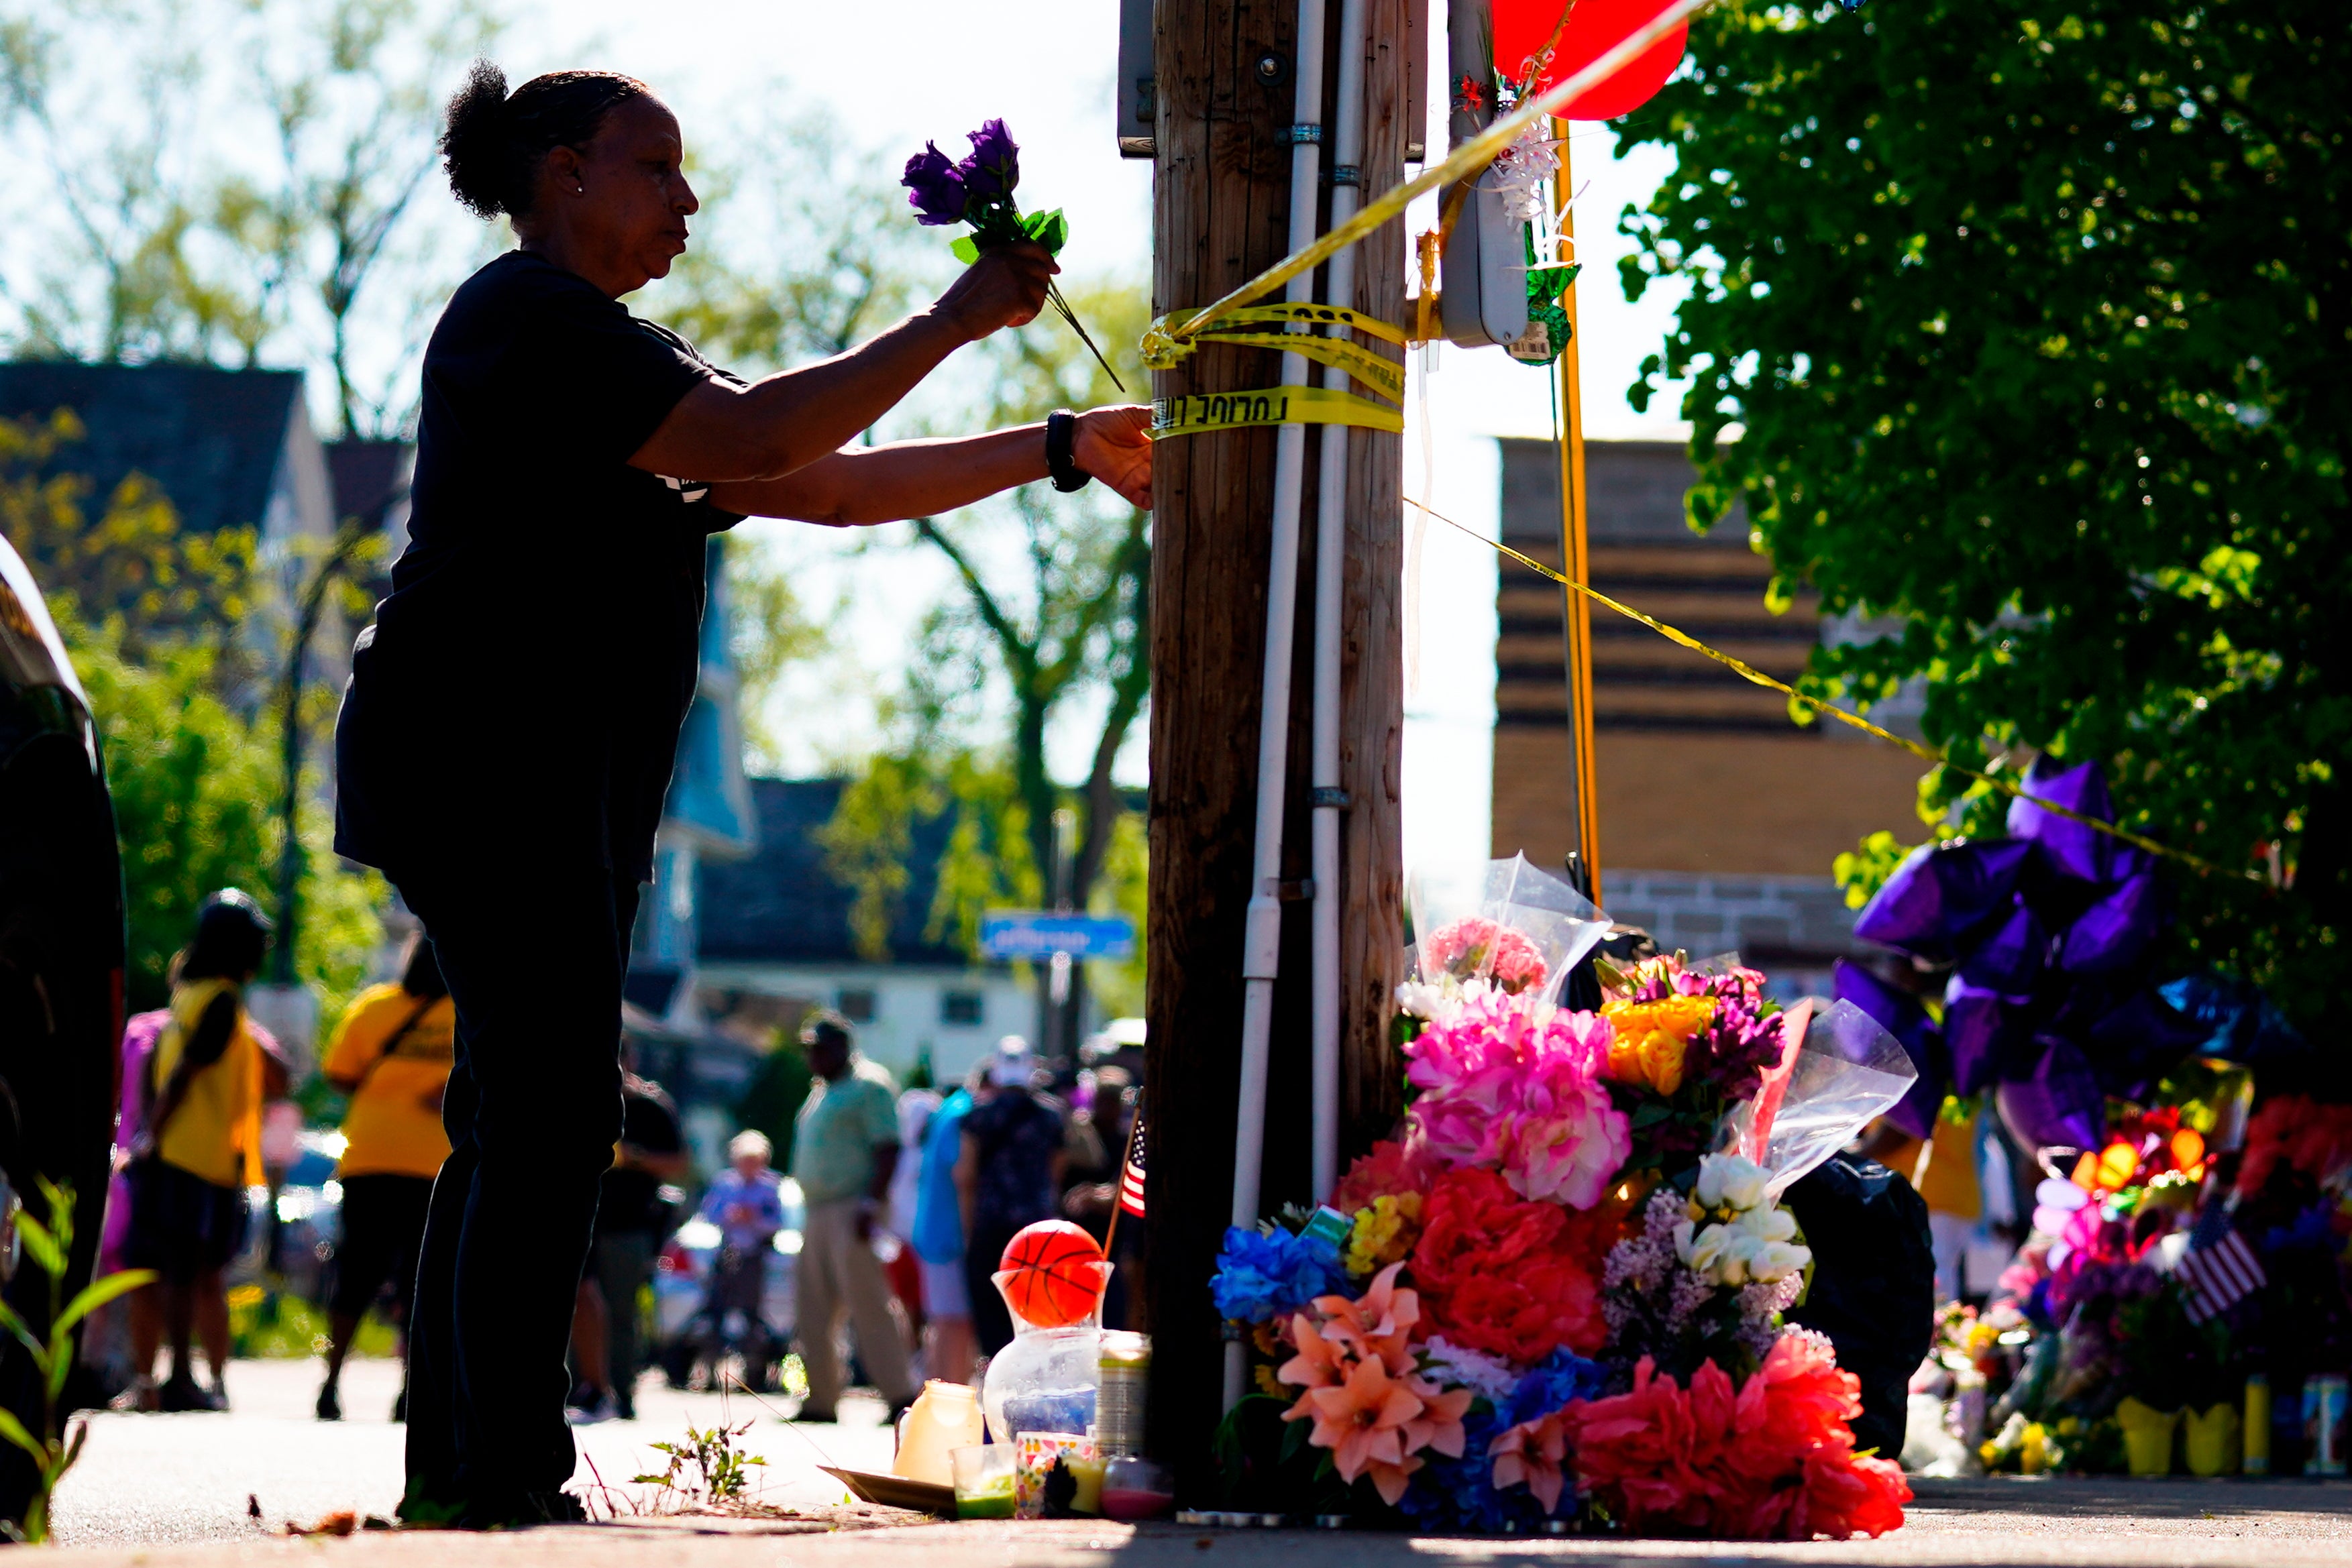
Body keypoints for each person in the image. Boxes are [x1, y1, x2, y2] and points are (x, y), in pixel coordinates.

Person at [330, 61, 1149, 1526]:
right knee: (549, 1102)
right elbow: (767, 440)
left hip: (535, 773)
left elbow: (817, 481)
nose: (686, 200)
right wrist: (955, 319)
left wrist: (1055, 451)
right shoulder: (526, 319)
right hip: (481, 756)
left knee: (529, 1102)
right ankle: (488, 1462)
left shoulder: (607, 350)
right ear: (567, 172)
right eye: (660, 168)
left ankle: (470, 1454)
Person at [121, 891, 288, 1413]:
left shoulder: (187, 994)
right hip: (195, 1159)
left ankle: (169, 1377)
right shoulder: (221, 1000)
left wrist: (148, 1131)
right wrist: (153, 1133)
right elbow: (185, 1071)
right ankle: (182, 1379)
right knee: (186, 1273)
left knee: (169, 1271)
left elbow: (158, 1067)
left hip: (188, 1156)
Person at [315, 933, 457, 1422]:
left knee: (354, 1278)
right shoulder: (465, 1014)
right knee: (422, 1283)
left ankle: (330, 1381)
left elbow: (338, 1072)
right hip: (433, 1167)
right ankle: (411, 1391)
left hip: (369, 1159)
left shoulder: (373, 1008)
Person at [787, 1013, 916, 1420]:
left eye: (820, 1049)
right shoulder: (823, 1089)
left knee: (869, 1305)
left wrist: (869, 1204)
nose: (813, 1057)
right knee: (812, 1310)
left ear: (843, 1047)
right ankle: (821, 1399)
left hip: (851, 1208)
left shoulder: (869, 1086)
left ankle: (900, 1396)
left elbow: (888, 1150)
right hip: (817, 1210)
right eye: (809, 1049)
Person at [569, 1066, 687, 1422]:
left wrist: (632, 1157)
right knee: (576, 1308)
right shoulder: (579, 1102)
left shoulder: (651, 1107)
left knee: (622, 1311)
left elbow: (679, 1164)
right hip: (580, 1222)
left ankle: (621, 1391)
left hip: (630, 1226)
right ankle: (581, 1389)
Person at [956, 1038, 1067, 1355]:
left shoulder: (978, 1117)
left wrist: (968, 1232)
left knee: (992, 1320)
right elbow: (1056, 1173)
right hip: (1037, 1232)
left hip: (989, 1228)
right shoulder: (1050, 1117)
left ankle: (997, 1384)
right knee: (1036, 1317)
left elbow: (966, 1177)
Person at [682, 1129, 787, 1392]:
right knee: (715, 1312)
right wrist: (730, 1216)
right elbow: (708, 1214)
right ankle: (707, 1372)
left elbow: (777, 1222)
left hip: (755, 1256)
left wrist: (755, 1219)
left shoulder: (771, 1187)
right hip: (727, 1254)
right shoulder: (725, 1184)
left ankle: (755, 1373)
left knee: (752, 1316)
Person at [910, 1070, 979, 1384]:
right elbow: (962, 1175)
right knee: (956, 1324)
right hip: (948, 1234)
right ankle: (952, 1399)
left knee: (941, 1323)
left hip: (931, 1231)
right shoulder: (964, 1115)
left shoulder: (948, 1108)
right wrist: (969, 1233)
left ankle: (934, 1397)